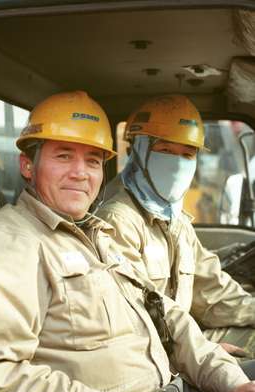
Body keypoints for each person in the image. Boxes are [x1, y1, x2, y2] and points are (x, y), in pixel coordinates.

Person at [0, 91, 255, 392]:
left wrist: (230, 381)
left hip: (174, 384)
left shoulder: (96, 235)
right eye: (64, 155)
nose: (81, 173)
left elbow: (165, 314)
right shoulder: (6, 243)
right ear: (27, 165)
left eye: (92, 160)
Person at [98, 94, 255, 360]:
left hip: (180, 339)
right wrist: (202, 354)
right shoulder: (118, 221)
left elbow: (212, 291)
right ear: (137, 151)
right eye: (166, 151)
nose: (178, 163)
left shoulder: (176, 220)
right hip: (155, 355)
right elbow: (136, 324)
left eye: (187, 154)